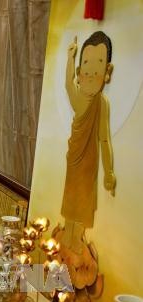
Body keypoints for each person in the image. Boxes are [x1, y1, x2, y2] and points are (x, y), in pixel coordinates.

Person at [62, 32, 116, 251]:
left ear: (107, 72)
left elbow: (104, 139)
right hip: (74, 161)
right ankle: (67, 244)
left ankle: (76, 245)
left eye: (99, 63)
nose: (92, 71)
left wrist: (109, 172)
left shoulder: (101, 104)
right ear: (79, 73)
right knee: (70, 206)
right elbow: (67, 84)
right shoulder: (77, 98)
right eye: (86, 63)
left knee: (83, 208)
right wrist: (70, 56)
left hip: (89, 165)